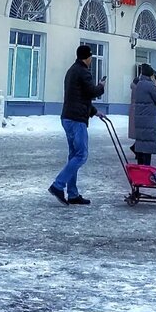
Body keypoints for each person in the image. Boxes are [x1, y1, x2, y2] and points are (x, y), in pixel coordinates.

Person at [49, 43, 105, 206]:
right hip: (76, 120)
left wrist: (95, 112)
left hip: (67, 117)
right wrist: (101, 87)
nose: (91, 60)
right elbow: (91, 92)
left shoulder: (72, 71)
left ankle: (72, 194)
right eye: (91, 57)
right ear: (87, 57)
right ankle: (58, 185)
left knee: (74, 156)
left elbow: (79, 97)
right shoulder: (83, 72)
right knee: (81, 155)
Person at [128, 63, 156, 165]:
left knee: (141, 144)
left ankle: (140, 172)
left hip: (140, 120)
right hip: (149, 120)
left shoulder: (139, 84)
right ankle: (146, 172)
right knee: (148, 147)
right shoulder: (150, 85)